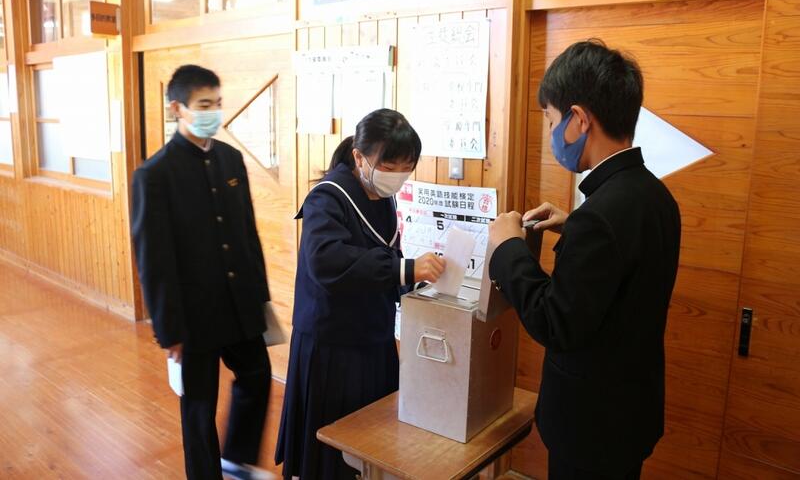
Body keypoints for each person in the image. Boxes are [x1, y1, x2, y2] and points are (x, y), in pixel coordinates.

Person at [488, 40, 681, 480]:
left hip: (590, 426)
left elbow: (554, 322)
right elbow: (623, 275)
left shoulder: (601, 214)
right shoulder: (654, 196)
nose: (552, 133)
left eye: (551, 119)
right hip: (630, 412)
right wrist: (572, 226)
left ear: (578, 119)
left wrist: (508, 248)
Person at [275, 109, 446, 479]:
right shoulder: (327, 197)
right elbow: (328, 262)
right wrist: (406, 269)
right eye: (389, 165)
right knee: (333, 451)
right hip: (331, 345)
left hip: (374, 339)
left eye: (406, 168)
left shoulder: (383, 196)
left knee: (374, 442)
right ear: (359, 156)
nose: (397, 176)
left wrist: (416, 282)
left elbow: (386, 261)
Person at [132, 65, 274, 480]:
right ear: (177, 108)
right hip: (192, 316)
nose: (213, 112)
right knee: (198, 407)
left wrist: (261, 297)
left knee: (258, 376)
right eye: (204, 104)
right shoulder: (154, 174)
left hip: (240, 304)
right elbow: (153, 260)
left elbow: (247, 233)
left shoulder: (230, 158)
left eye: (217, 103)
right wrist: (168, 330)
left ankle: (235, 460)